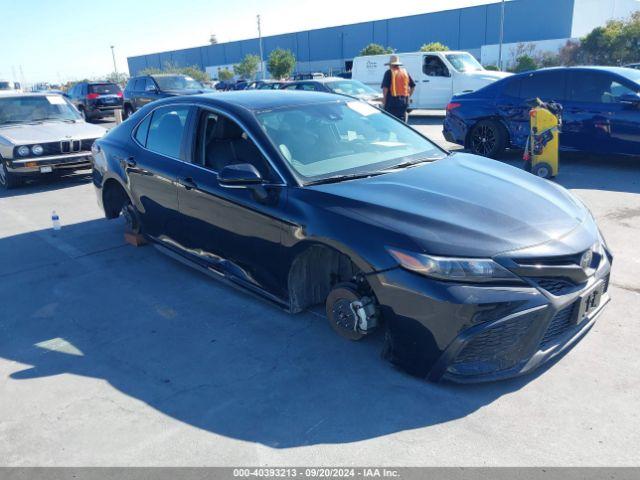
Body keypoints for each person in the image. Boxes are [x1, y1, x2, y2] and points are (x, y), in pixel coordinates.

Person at [380, 55, 415, 122]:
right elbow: (413, 86)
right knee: (401, 122)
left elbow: (385, 89)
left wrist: (384, 101)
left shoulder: (389, 73)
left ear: (391, 65)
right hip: (403, 102)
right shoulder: (405, 72)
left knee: (391, 122)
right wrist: (408, 96)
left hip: (392, 102)